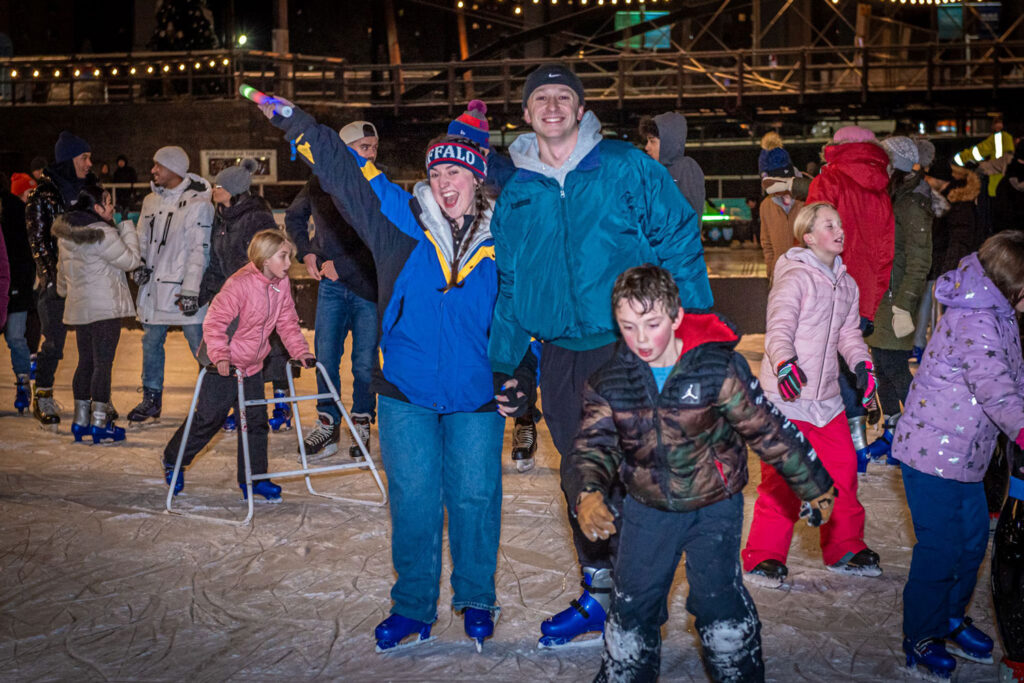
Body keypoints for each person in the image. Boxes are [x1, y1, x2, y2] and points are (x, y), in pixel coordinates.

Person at [259, 97, 536, 651]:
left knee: (476, 498)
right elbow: (342, 172)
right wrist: (299, 125)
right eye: (435, 171)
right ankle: (413, 606)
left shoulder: (506, 238)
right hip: (405, 392)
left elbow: (521, 316)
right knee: (412, 499)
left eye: (454, 170)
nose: (442, 180)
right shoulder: (399, 222)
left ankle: (477, 596)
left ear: (476, 177)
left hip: (476, 396)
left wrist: (524, 375)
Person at [487, 63, 713, 647]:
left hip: (627, 347)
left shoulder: (625, 166)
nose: (554, 105)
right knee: (579, 475)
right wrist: (506, 361)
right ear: (528, 112)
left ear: (581, 109)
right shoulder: (517, 191)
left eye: (565, 96)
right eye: (542, 97)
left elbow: (680, 237)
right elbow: (510, 282)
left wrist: (695, 327)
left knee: (638, 473)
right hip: (561, 356)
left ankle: (638, 598)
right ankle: (600, 592)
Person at [573, 264, 836, 682]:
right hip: (647, 506)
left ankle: (738, 673)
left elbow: (765, 427)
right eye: (627, 326)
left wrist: (814, 483)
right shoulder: (611, 381)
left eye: (652, 324)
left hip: (714, 504)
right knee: (633, 605)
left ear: (676, 317)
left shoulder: (716, 369)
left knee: (718, 602)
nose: (641, 339)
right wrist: (588, 491)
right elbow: (595, 445)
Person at [891, 232, 1024, 679]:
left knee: (970, 543)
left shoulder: (1000, 314)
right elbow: (995, 388)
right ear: (1013, 283)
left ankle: (948, 618)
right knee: (940, 548)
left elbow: (1015, 379)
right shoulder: (976, 320)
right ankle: (921, 635)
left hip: (964, 454)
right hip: (930, 455)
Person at [742, 202, 881, 588]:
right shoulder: (795, 278)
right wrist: (785, 362)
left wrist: (862, 365)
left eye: (840, 223)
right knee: (783, 480)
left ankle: (845, 547)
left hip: (827, 401)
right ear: (808, 237)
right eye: (828, 225)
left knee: (843, 472)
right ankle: (764, 556)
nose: (839, 230)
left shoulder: (847, 284)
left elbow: (849, 336)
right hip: (787, 398)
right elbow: (780, 326)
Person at [162, 230, 313, 502]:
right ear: (266, 259)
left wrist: (300, 351)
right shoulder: (239, 284)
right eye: (283, 257)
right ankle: (174, 458)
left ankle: (254, 479)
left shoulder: (280, 283)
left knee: (256, 423)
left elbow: (287, 321)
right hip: (224, 364)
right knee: (209, 419)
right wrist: (220, 355)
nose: (289, 263)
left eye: (289, 256)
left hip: (253, 364)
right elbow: (214, 322)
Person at [284, 121, 379, 460]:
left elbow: (382, 239)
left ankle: (362, 421)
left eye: (373, 148)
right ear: (343, 149)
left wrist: (347, 265)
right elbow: (294, 219)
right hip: (331, 289)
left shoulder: (376, 184)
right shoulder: (319, 180)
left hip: (367, 287)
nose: (370, 154)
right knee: (325, 358)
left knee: (365, 362)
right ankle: (327, 422)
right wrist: (307, 251)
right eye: (363, 147)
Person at [806, 125, 895, 462]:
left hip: (830, 287)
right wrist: (873, 296)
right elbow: (887, 249)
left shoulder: (829, 180)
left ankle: (840, 446)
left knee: (825, 366)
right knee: (851, 361)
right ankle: (857, 443)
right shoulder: (881, 188)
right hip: (863, 292)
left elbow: (813, 236)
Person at [127, 146, 213, 425]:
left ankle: (212, 400)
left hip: (181, 290)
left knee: (199, 345)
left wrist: (191, 291)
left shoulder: (199, 203)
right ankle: (151, 398)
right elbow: (140, 239)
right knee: (151, 342)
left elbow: (199, 251)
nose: (153, 171)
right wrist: (137, 265)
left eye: (158, 166)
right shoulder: (151, 201)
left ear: (175, 169)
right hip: (154, 290)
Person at [199, 158, 287, 432]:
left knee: (268, 350)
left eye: (220, 186)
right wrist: (204, 291)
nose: (214, 190)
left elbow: (271, 255)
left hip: (258, 293)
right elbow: (216, 260)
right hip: (233, 296)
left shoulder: (257, 218)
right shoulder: (222, 219)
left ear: (234, 190)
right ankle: (241, 408)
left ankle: (281, 404)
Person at [861, 137, 933, 465]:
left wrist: (905, 304)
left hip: (897, 298)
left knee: (894, 368)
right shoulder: (892, 196)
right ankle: (893, 432)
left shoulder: (910, 203)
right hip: (882, 295)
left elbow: (920, 259)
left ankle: (921, 433)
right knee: (881, 366)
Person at [53, 183, 140, 443]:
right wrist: (126, 227)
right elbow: (132, 260)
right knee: (103, 364)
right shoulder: (103, 233)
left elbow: (61, 275)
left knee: (85, 362)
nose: (111, 206)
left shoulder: (66, 235)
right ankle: (100, 422)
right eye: (107, 202)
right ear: (96, 207)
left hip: (80, 309)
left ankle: (81, 421)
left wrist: (65, 291)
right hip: (105, 308)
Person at [26, 130, 95, 427]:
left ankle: (93, 397)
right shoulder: (43, 194)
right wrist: (52, 277)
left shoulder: (88, 191)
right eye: (84, 157)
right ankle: (42, 394)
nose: (90, 163)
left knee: (90, 343)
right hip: (57, 282)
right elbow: (38, 240)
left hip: (88, 279)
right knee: (54, 342)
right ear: (69, 160)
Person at [1, 172, 36, 413]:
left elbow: (27, 255)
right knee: (16, 337)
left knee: (15, 337)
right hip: (12, 285)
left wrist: (23, 284)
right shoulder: (14, 212)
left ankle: (23, 383)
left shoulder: (22, 213)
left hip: (17, 287)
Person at [639, 112, 706, 228]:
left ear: (668, 142)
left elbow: (689, 216)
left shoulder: (685, 168)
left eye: (652, 141)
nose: (647, 147)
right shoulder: (653, 172)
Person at [758, 135, 803, 285]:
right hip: (780, 277)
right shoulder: (766, 206)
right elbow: (767, 245)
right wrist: (771, 273)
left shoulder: (806, 203)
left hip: (806, 277)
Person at [954, 116, 1014, 197]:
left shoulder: (998, 137)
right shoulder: (1014, 138)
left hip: (996, 183)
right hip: (1012, 185)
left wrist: (960, 158)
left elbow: (978, 152)